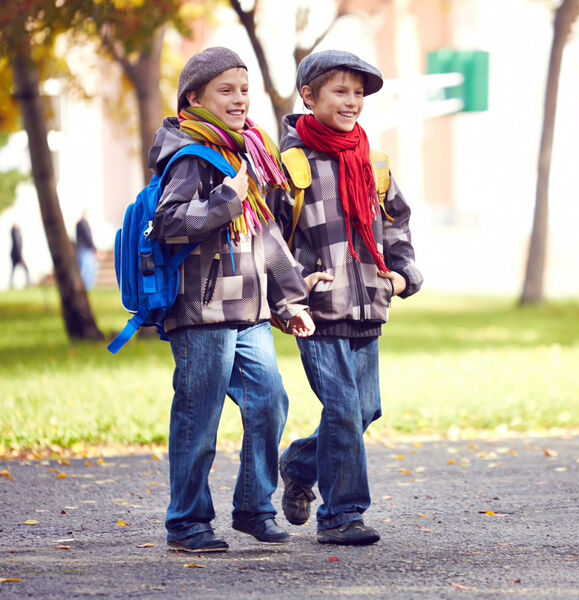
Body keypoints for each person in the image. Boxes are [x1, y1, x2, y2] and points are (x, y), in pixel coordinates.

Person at [150, 47, 316, 553]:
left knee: (269, 402)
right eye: (227, 90)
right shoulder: (190, 155)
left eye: (244, 89)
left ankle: (252, 508)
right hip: (201, 311)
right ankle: (188, 522)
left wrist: (288, 301)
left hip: (248, 309)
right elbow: (170, 223)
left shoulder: (245, 151)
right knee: (198, 417)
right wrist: (227, 199)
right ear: (194, 98)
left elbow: (265, 234)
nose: (240, 99)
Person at [274, 50, 423, 546]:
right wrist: (296, 283)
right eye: (340, 91)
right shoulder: (291, 164)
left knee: (365, 409)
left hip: (368, 304)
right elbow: (267, 238)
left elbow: (396, 221)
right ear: (309, 97)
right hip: (317, 311)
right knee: (341, 407)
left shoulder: (373, 162)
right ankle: (342, 516)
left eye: (358, 93)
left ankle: (299, 463)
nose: (352, 101)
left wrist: (401, 274)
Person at [75, 211, 98, 290]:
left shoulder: (80, 223)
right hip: (85, 250)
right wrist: (94, 248)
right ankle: (86, 287)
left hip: (82, 250)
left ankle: (86, 287)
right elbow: (88, 236)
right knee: (87, 270)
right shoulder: (83, 223)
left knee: (85, 269)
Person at [9, 223, 29, 289]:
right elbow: (17, 246)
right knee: (25, 269)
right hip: (17, 255)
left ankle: (11, 285)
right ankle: (28, 284)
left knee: (13, 270)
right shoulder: (16, 234)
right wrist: (20, 257)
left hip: (15, 254)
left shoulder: (16, 234)